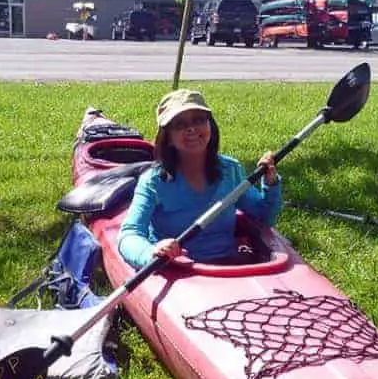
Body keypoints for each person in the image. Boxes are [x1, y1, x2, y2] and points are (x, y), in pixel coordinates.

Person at [117, 89, 283, 268]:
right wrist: (150, 253)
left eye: (198, 120)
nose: (191, 129)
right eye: (179, 125)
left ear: (210, 125)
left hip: (227, 266)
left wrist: (270, 182)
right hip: (177, 270)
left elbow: (265, 216)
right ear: (168, 137)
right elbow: (129, 234)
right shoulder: (154, 182)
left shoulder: (230, 170)